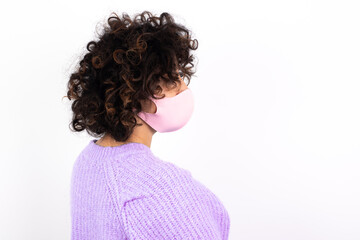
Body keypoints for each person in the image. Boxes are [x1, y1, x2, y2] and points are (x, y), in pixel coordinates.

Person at [65, 10, 230, 239]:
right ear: (138, 94)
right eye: (173, 78)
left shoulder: (87, 162)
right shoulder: (160, 190)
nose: (184, 87)